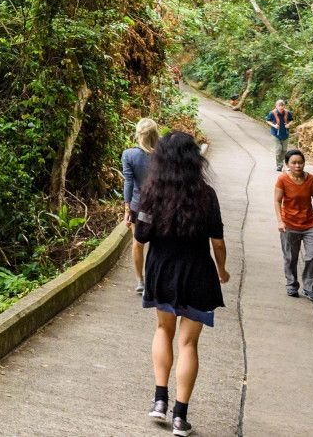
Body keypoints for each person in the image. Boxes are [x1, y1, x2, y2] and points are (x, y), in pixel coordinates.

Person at [135, 131, 229, 437]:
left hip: (162, 273)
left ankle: (159, 400)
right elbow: (217, 242)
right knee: (189, 343)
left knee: (163, 330)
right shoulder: (207, 194)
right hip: (198, 274)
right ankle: (180, 416)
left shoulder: (152, 193)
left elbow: (141, 236)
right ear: (193, 159)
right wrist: (223, 270)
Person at [275, 148, 313, 300]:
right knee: (290, 257)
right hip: (289, 225)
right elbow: (277, 201)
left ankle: (310, 288)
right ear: (287, 164)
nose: (298, 166)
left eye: (300, 162)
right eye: (294, 163)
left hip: (309, 224)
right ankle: (292, 285)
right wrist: (280, 221)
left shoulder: (312, 180)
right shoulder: (282, 180)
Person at [122, 118, 159, 294]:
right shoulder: (163, 154)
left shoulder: (129, 155)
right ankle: (153, 281)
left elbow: (128, 183)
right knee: (158, 244)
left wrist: (127, 209)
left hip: (138, 206)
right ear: (156, 134)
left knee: (138, 243)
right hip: (161, 206)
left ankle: (140, 282)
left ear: (138, 134)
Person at [266, 98, 294, 171]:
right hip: (275, 134)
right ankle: (279, 165)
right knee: (279, 150)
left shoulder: (288, 112)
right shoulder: (272, 113)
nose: (281, 107)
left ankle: (285, 165)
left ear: (284, 106)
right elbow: (268, 120)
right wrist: (274, 125)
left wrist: (289, 125)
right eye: (279, 105)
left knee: (284, 150)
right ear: (276, 106)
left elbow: (291, 120)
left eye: (282, 105)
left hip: (285, 134)